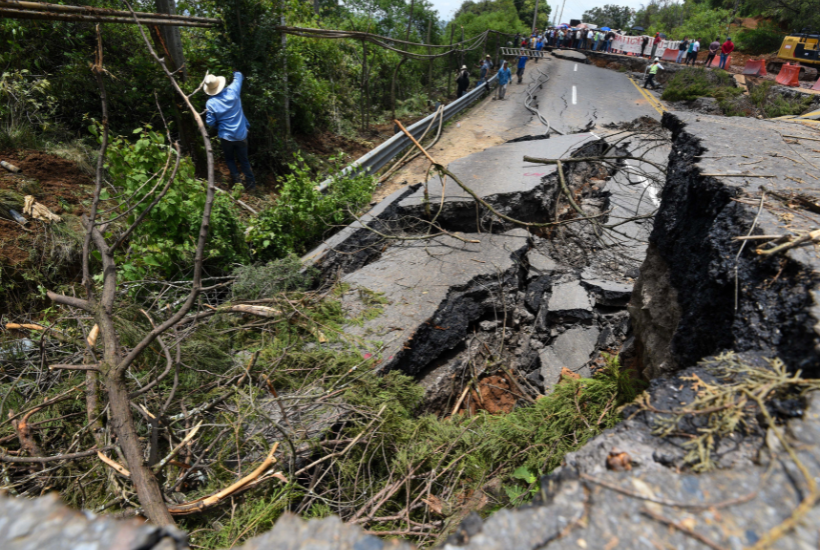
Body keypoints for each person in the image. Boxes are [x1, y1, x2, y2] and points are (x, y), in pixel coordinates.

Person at [205, 71, 256, 193]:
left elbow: (210, 122)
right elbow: (239, 76)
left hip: (226, 137)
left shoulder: (211, 103)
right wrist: (235, 72)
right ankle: (251, 186)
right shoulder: (233, 91)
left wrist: (220, 125)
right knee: (244, 160)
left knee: (230, 159)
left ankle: (238, 183)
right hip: (241, 134)